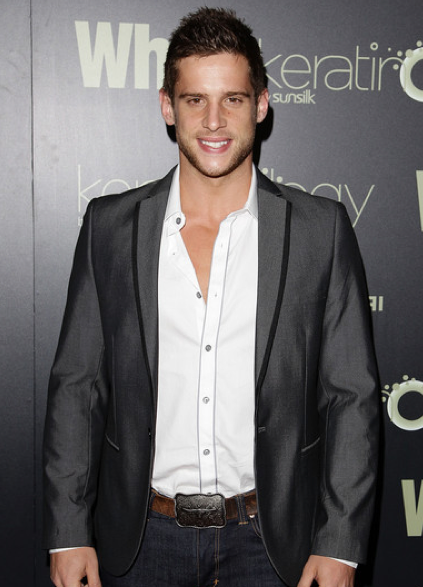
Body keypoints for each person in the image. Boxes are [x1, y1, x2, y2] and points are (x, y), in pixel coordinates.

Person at [43, 7, 379, 587]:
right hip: (141, 543)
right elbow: (78, 387)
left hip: (273, 547)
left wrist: (340, 545)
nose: (214, 121)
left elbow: (352, 397)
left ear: (262, 104)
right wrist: (69, 530)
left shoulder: (319, 230)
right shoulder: (110, 227)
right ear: (167, 106)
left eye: (234, 99)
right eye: (195, 99)